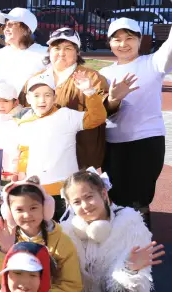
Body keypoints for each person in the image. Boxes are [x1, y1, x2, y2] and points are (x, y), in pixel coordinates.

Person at [100, 0, 172, 227]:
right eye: (117, 39)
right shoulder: (104, 73)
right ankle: (119, 243)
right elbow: (101, 111)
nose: (123, 44)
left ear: (140, 40)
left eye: (129, 38)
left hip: (147, 140)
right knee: (115, 197)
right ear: (109, 43)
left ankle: (142, 242)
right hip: (113, 142)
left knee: (140, 198)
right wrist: (113, 98)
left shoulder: (153, 63)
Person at [0, 178, 81, 292]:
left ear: (45, 208)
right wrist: (4, 249)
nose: (27, 215)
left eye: (33, 208)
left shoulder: (61, 241)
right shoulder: (6, 238)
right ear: (9, 213)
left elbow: (71, 285)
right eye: (19, 209)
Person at [25, 27, 110, 170]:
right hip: (45, 159)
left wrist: (94, 93)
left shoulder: (92, 77)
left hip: (82, 157)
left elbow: (102, 112)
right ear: (49, 51)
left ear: (77, 52)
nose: (61, 53)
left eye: (68, 48)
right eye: (56, 48)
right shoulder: (36, 79)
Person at [16, 72, 106, 200]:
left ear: (55, 97)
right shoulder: (25, 122)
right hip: (36, 189)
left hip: (66, 189)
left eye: (47, 95)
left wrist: (89, 91)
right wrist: (21, 173)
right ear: (28, 99)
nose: (42, 100)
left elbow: (97, 117)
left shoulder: (67, 116)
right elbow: (25, 150)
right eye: (36, 95)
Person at [0, 8, 47, 94]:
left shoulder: (44, 53)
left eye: (11, 24)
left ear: (26, 29)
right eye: (5, 25)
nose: (6, 29)